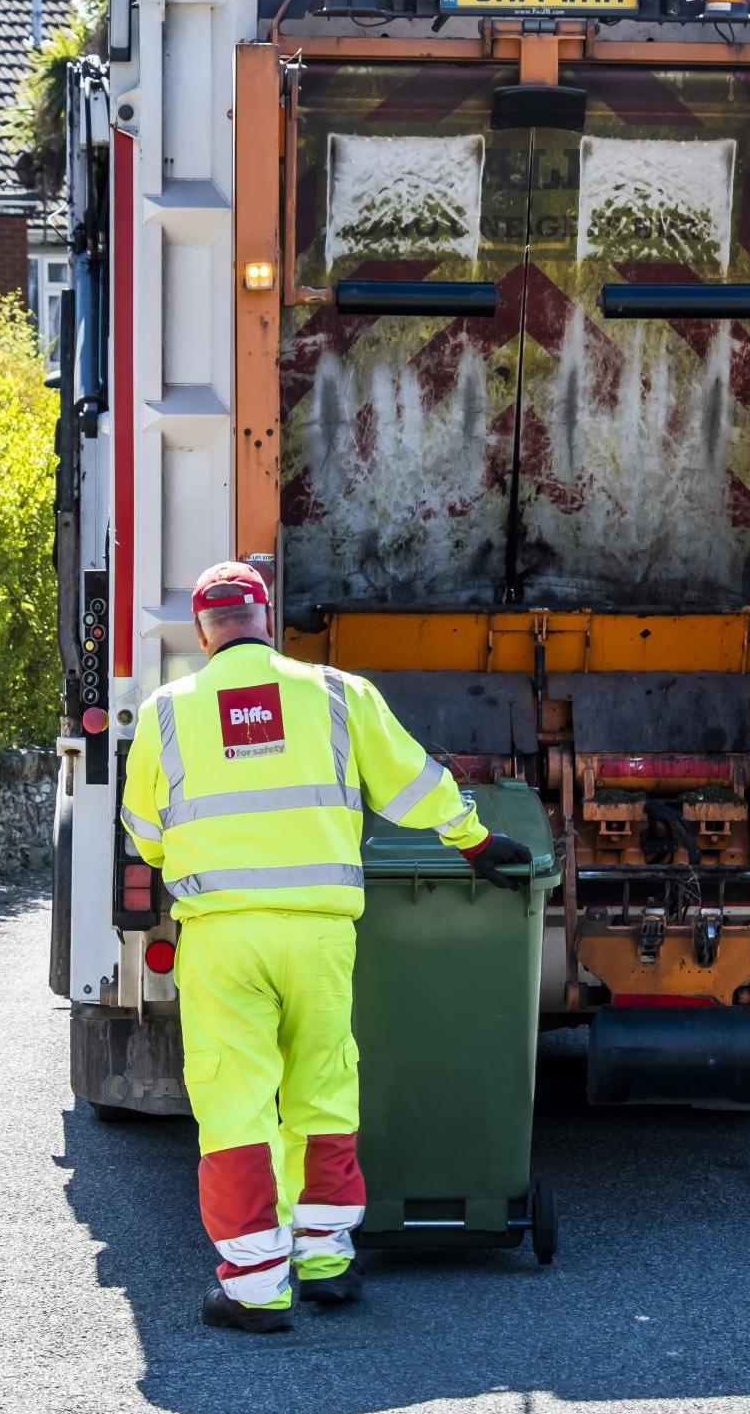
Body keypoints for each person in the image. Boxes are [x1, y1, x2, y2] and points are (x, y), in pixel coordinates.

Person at [119, 560, 532, 1333]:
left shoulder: (169, 712)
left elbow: (143, 837)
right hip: (319, 935)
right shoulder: (339, 695)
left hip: (223, 936)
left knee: (236, 1099)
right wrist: (475, 843)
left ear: (203, 631)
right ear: (267, 618)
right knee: (323, 1085)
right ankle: (327, 1256)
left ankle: (255, 1285)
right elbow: (416, 784)